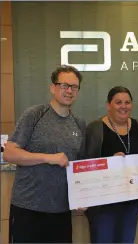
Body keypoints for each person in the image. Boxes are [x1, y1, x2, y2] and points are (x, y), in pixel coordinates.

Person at [4, 65, 86, 243]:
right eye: (64, 85)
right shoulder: (35, 114)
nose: (69, 90)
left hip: (61, 210)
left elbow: (78, 166)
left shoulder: (79, 123)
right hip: (29, 207)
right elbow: (9, 153)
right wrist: (49, 158)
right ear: (53, 88)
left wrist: (82, 195)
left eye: (74, 87)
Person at [83, 86, 138, 244]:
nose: (123, 106)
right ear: (108, 105)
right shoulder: (95, 129)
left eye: (127, 102)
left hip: (131, 201)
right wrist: (109, 162)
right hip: (103, 204)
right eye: (118, 102)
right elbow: (85, 163)